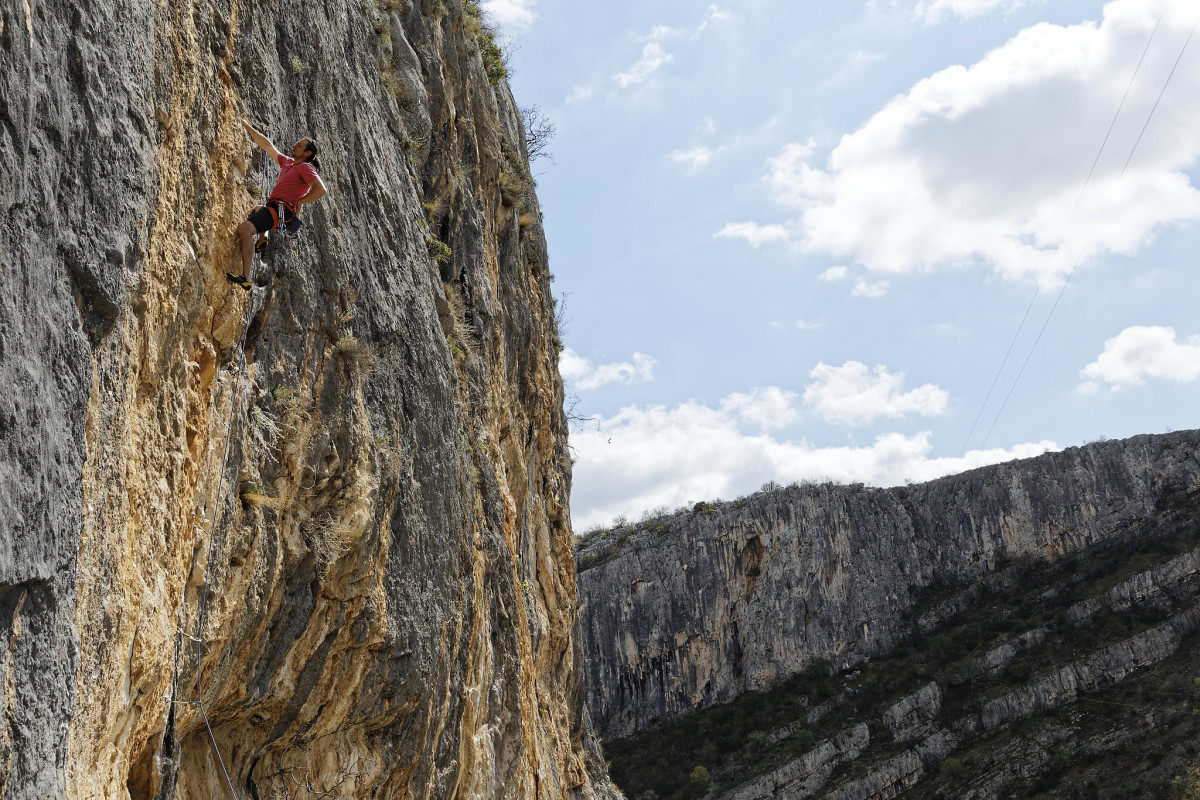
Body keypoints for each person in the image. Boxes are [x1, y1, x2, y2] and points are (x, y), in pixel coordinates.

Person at [227, 119, 328, 290]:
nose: (295, 145)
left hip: (282, 210)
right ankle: (263, 238)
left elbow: (321, 190)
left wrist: (299, 201)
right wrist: (246, 125)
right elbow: (267, 145)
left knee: (245, 229)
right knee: (259, 209)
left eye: (300, 145)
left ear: (307, 153)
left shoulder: (305, 167)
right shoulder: (288, 162)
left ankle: (247, 278)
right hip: (276, 208)